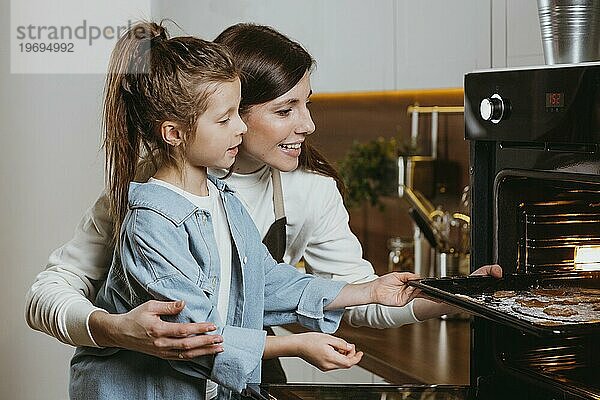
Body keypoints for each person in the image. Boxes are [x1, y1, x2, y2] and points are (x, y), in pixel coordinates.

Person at [25, 22, 502, 385]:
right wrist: (112, 329)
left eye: (307, 103)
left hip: (231, 376)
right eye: (284, 109)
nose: (309, 125)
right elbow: (49, 295)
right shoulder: (146, 195)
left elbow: (281, 286)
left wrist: (445, 298)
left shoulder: (281, 194)